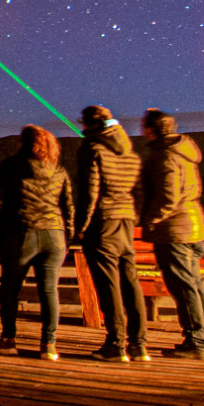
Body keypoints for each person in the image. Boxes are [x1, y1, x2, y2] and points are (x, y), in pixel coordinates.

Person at [0, 125, 74, 361]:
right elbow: (68, 206)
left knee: (10, 289)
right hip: (54, 235)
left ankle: (8, 340)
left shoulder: (9, 166)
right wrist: (70, 235)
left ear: (22, 143)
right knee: (48, 290)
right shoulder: (58, 170)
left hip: (20, 233)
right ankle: (49, 345)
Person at [73, 105, 148, 363]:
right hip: (126, 222)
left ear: (89, 124)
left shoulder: (92, 149)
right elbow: (139, 191)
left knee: (108, 285)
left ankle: (116, 344)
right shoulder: (129, 152)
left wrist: (79, 228)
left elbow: (89, 193)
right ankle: (139, 344)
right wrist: (133, 217)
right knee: (130, 282)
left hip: (103, 222)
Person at [139, 108, 204, 359]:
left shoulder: (165, 156)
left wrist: (150, 220)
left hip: (174, 230)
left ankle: (195, 342)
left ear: (151, 130)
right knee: (195, 284)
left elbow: (168, 197)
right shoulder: (185, 153)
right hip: (194, 225)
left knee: (184, 288)